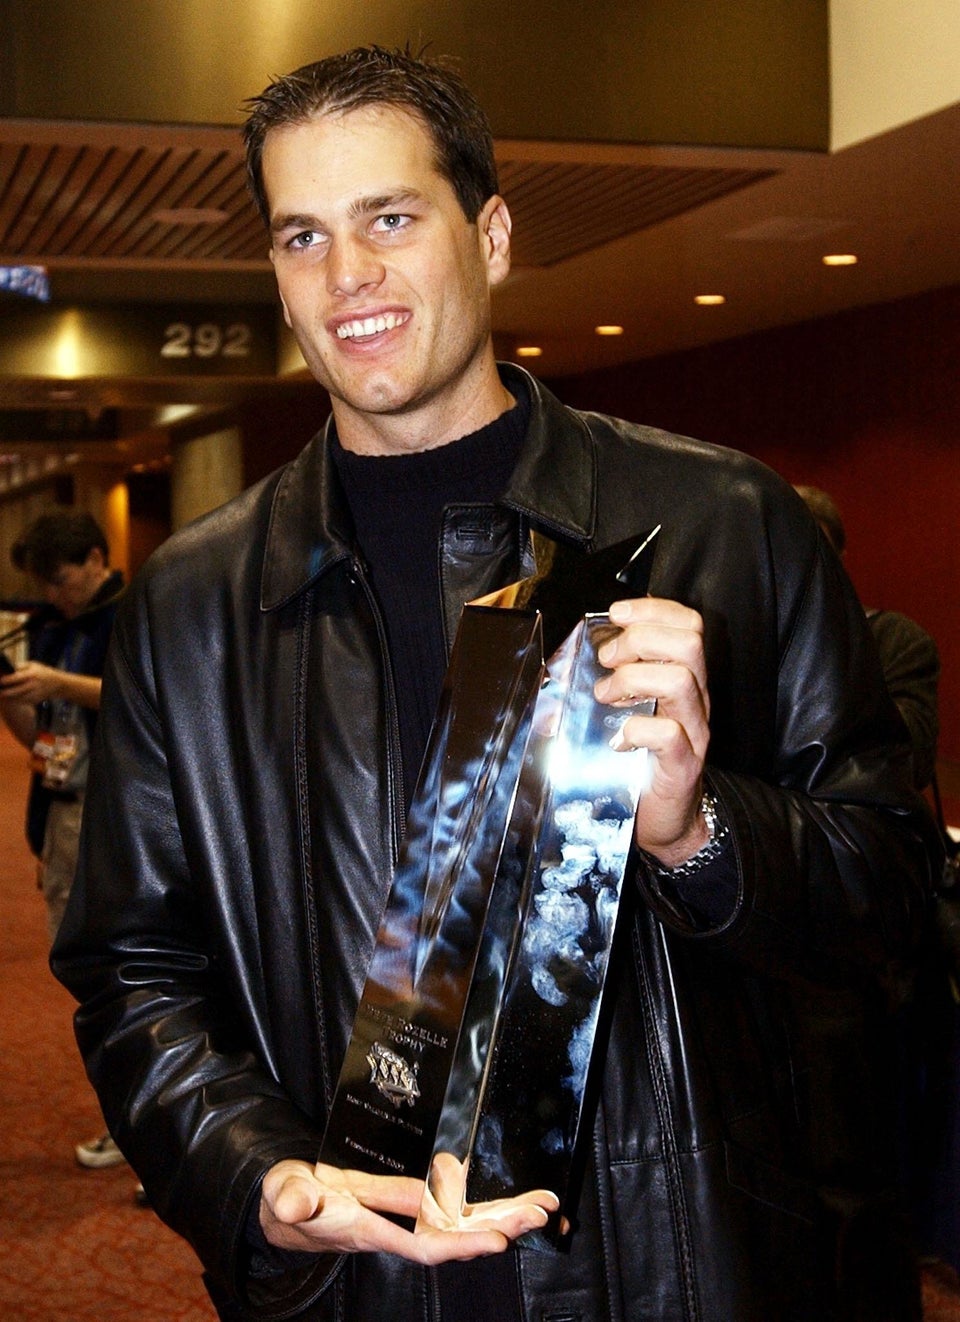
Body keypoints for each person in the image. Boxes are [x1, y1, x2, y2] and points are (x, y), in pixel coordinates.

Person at [51, 47, 940, 1321]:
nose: (348, 276)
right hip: (362, 1277)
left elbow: (893, 901)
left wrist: (698, 831)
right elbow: (132, 966)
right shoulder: (196, 603)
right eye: (303, 234)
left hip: (670, 1262)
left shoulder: (720, 521)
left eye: (391, 219)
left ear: (494, 233)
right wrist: (251, 1174)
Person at [0, 508, 125, 1171]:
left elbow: (137, 698)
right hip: (61, 806)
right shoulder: (52, 627)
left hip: (117, 819)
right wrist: (17, 695)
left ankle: (135, 1123)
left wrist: (58, 683)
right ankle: (127, 1116)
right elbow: (39, 739)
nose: (55, 594)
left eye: (63, 580)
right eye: (45, 584)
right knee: (82, 974)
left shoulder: (130, 613)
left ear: (97, 561)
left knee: (117, 976)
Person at [793, 484, 939, 790]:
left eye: (817, 556)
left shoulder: (896, 639)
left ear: (840, 561)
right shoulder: (745, 641)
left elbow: (910, 764)